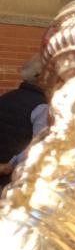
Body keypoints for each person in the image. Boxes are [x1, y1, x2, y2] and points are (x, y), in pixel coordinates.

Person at [0, 55, 48, 188]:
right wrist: (12, 163)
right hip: (14, 181)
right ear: (40, 77)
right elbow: (38, 145)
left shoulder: (5, 98)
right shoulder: (42, 106)